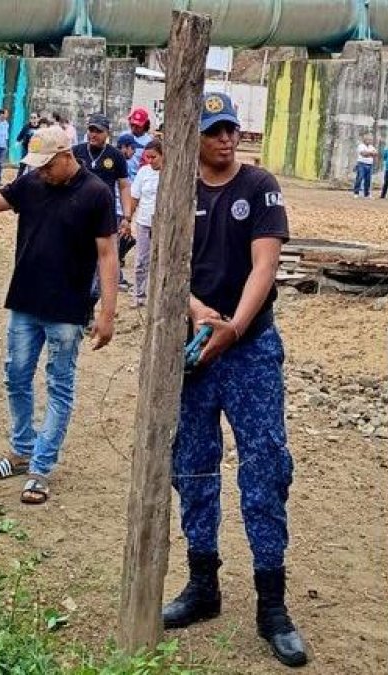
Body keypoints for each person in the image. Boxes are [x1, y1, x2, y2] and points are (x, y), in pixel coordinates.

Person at [161, 92, 307, 668]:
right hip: (195, 348)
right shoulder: (178, 189)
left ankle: (272, 604)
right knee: (193, 464)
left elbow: (265, 265)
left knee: (265, 467)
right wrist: (199, 313)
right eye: (214, 130)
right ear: (194, 136)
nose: (226, 139)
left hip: (249, 350)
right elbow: (166, 264)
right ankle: (203, 584)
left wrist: (235, 327)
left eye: (231, 129)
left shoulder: (259, 185)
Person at [0, 126, 119, 504]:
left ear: (66, 156)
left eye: (47, 165)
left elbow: (107, 255)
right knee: (16, 377)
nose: (42, 172)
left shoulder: (97, 193)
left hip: (67, 310)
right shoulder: (32, 182)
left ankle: (41, 466)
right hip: (25, 302)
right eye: (37, 166)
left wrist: (108, 312)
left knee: (59, 386)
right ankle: (22, 450)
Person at [73, 114, 134, 293]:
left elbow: (124, 186)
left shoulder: (116, 156)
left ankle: (93, 296)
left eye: (98, 131)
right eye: (91, 130)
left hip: (104, 216)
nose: (93, 134)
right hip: (77, 213)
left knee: (103, 259)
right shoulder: (76, 152)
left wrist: (127, 216)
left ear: (107, 133)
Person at [127, 139, 162, 307]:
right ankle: (139, 294)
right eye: (148, 157)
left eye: (154, 157)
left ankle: (158, 295)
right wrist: (128, 218)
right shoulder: (143, 172)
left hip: (163, 224)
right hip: (145, 222)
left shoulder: (170, 173)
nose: (150, 161)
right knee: (141, 260)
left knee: (161, 261)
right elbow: (135, 197)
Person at [353, 134, 375, 198]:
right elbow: (363, 154)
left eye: (370, 140)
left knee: (368, 180)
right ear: (365, 140)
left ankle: (366, 194)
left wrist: (368, 153)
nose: (370, 141)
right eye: (368, 139)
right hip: (361, 164)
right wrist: (370, 153)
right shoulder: (361, 146)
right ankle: (356, 193)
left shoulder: (371, 147)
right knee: (359, 178)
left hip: (369, 164)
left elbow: (375, 154)